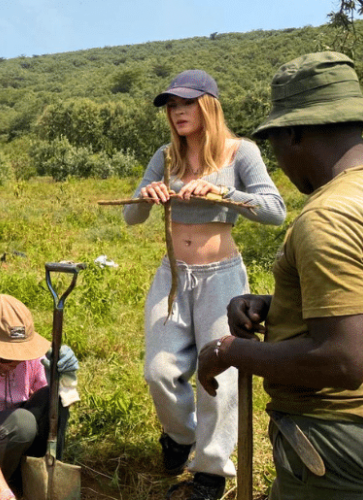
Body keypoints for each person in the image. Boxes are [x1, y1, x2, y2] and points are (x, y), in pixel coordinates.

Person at [198, 51, 363, 500]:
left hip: (335, 432)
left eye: (274, 145)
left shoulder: (331, 216)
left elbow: (342, 359)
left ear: (293, 133)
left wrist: (229, 350)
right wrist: (278, 307)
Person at [123, 69, 287, 499]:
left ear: (208, 105)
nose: (177, 112)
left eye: (186, 103)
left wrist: (223, 194)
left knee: (219, 376)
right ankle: (180, 436)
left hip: (221, 275)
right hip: (173, 275)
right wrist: (147, 195)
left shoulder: (240, 152)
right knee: (159, 370)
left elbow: (275, 210)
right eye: (172, 106)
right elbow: (131, 217)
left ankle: (211, 470)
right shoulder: (166, 156)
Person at [0, 294, 79, 500]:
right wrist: (4, 494)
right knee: (22, 422)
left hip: (17, 434)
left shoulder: (30, 360)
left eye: (21, 355)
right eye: (6, 357)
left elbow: (54, 406)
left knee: (54, 397)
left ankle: (33, 472)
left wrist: (64, 380)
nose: (15, 362)